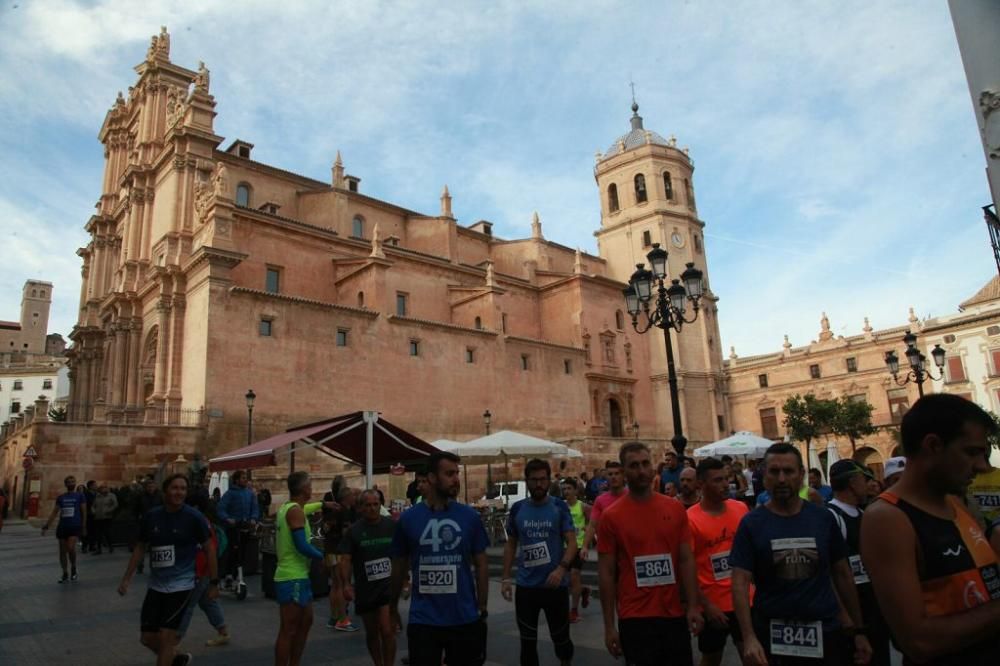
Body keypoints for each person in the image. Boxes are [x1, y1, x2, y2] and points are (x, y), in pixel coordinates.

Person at [861, 394, 1000, 665]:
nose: (982, 467)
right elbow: (919, 640)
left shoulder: (956, 503)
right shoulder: (888, 519)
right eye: (971, 452)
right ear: (933, 445)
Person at [731, 443, 871, 666]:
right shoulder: (751, 524)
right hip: (772, 635)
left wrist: (858, 629)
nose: (782, 479)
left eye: (789, 471)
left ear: (802, 475)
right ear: (764, 476)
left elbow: (842, 574)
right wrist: (748, 637)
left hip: (826, 631)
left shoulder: (823, 518)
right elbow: (740, 582)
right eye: (774, 472)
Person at [598, 442, 702, 665]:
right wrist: (609, 627)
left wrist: (693, 605)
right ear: (625, 472)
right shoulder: (611, 517)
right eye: (634, 466)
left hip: (673, 613)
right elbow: (606, 573)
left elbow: (686, 559)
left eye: (645, 463)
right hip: (634, 616)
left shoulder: (674, 509)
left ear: (654, 468)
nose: (641, 470)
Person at [390, 451, 489, 665]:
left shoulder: (470, 517)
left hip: (464, 618)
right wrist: (392, 608)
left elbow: (481, 564)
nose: (455, 479)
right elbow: (398, 567)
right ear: (432, 478)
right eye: (449, 474)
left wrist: (482, 606)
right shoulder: (408, 519)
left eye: (456, 473)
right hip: (423, 620)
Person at [118, 474, 216, 666]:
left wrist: (214, 582)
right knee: (147, 638)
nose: (179, 492)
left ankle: (168, 655)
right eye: (175, 488)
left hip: (182, 586)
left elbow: (210, 548)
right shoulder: (152, 516)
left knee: (166, 637)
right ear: (165, 491)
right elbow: (140, 547)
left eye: (183, 489)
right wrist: (126, 578)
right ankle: (176, 658)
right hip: (156, 586)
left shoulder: (194, 517)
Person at [501, 459, 576, 666]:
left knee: (561, 641)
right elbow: (511, 545)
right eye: (534, 480)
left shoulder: (559, 507)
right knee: (527, 644)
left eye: (543, 479)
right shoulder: (517, 509)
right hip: (527, 588)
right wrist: (506, 577)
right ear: (527, 481)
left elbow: (571, 543)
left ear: (549, 480)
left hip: (555, 586)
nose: (539, 484)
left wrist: (562, 569)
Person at [825, 460, 890, 666]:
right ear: (853, 482)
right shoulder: (832, 517)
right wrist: (849, 620)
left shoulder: (864, 514)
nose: (869, 484)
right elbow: (831, 574)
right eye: (864, 479)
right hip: (853, 617)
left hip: (874, 612)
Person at [688, 457, 750, 666]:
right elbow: (687, 568)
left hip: (746, 599)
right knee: (711, 657)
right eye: (717, 480)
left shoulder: (741, 508)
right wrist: (705, 605)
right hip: (713, 604)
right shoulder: (690, 519)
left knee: (752, 654)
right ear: (701, 485)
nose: (725, 485)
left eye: (726, 478)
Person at [338, 489, 398, 666]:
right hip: (366, 588)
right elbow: (345, 559)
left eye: (375, 504)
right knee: (372, 633)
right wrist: (346, 584)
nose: (372, 508)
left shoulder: (391, 526)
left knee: (387, 631)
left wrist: (404, 579)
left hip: (387, 586)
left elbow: (400, 555)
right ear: (360, 508)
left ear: (380, 505)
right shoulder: (354, 531)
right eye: (368, 505)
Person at [273, 471, 326, 666]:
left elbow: (306, 509)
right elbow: (301, 545)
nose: (312, 488)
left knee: (306, 621)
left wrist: (323, 504)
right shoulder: (295, 512)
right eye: (310, 485)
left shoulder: (288, 507)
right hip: (291, 576)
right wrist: (322, 556)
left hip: (299, 575)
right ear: (304, 489)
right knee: (289, 628)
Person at [176, 508, 230, 649]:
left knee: (187, 605)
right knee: (207, 601)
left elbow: (203, 550)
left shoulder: (196, 522)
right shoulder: (204, 521)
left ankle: (175, 641)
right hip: (204, 570)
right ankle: (223, 632)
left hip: (198, 571)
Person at [322, 481, 360, 631]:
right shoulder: (344, 512)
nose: (354, 498)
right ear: (347, 498)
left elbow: (325, 529)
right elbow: (345, 532)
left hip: (329, 550)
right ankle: (343, 620)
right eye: (351, 495)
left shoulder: (333, 511)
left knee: (335, 585)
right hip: (338, 552)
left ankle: (334, 617)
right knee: (342, 584)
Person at [216, 469, 260, 585]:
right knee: (233, 550)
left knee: (243, 550)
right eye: (243, 478)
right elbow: (221, 509)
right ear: (236, 480)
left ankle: (236, 574)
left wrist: (254, 518)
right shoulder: (230, 494)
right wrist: (227, 518)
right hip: (233, 526)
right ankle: (228, 573)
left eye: (246, 478)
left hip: (245, 526)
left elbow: (255, 508)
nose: (246, 480)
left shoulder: (250, 493)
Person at [41, 475, 88, 583]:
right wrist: (47, 525)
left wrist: (84, 526)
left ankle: (74, 567)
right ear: (65, 484)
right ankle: (65, 572)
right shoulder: (61, 497)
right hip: (62, 526)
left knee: (71, 548)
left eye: (73, 481)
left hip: (74, 525)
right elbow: (55, 512)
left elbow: (84, 511)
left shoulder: (80, 496)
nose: (71, 483)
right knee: (62, 552)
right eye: (69, 482)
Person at [581, 461, 627, 562]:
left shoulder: (632, 496)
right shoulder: (600, 500)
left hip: (627, 548)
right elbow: (592, 525)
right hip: (607, 549)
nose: (613, 477)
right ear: (606, 477)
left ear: (623, 476)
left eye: (616, 473)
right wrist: (585, 546)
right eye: (610, 474)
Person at [561, 477, 592, 623]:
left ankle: (574, 611)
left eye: (569, 488)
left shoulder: (583, 507)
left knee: (574, 575)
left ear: (575, 490)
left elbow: (592, 525)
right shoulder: (560, 507)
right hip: (564, 546)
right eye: (564, 489)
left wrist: (587, 536)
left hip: (579, 546)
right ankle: (583, 590)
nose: (566, 491)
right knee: (566, 580)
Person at [133, 477, 163, 574]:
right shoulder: (140, 496)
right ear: (145, 487)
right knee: (142, 545)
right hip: (144, 523)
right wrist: (138, 518)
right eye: (149, 487)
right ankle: (140, 565)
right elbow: (136, 508)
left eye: (152, 486)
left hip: (157, 522)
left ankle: (154, 565)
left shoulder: (160, 496)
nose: (150, 488)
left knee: (155, 546)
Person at [91, 484, 119, 555]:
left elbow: (115, 504)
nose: (103, 489)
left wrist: (109, 510)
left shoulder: (111, 495)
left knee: (107, 532)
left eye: (105, 488)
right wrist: (93, 511)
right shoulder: (97, 496)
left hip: (107, 517)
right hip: (98, 517)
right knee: (98, 534)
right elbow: (93, 505)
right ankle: (99, 549)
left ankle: (110, 546)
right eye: (102, 488)